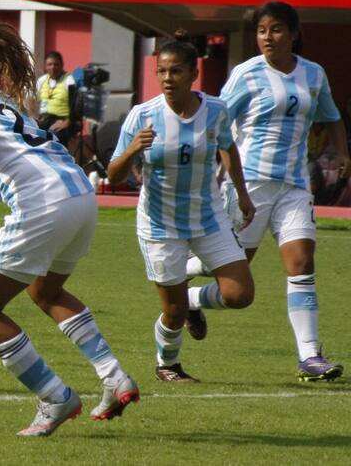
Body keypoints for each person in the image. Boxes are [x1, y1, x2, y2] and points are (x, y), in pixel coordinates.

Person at [0, 23, 139, 437]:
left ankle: (55, 397)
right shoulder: (0, 99)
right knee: (45, 291)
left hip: (43, 204)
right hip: (79, 195)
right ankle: (114, 377)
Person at [185, 2, 350, 382]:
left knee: (301, 264)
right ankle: (188, 294)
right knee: (228, 274)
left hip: (294, 185)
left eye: (276, 29)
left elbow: (331, 116)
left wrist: (341, 151)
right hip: (250, 184)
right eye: (262, 30)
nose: (267, 37)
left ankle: (309, 357)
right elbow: (219, 121)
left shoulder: (313, 74)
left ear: (293, 33)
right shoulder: (246, 74)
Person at [107, 31, 256, 382]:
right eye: (160, 71)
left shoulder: (216, 110)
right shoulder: (142, 116)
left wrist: (243, 194)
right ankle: (168, 365)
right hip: (160, 224)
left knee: (240, 294)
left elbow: (228, 149)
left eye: (175, 71)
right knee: (171, 313)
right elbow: (113, 174)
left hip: (208, 216)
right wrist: (131, 151)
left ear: (193, 74)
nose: (166, 79)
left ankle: (192, 299)